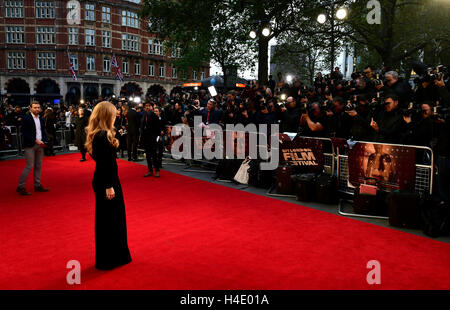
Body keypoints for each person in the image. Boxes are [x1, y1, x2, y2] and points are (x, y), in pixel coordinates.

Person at [85, 101, 132, 270]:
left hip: (106, 179)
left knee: (110, 219)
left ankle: (111, 257)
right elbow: (106, 163)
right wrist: (109, 185)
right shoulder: (101, 136)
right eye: (113, 113)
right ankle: (110, 258)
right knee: (110, 220)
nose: (116, 115)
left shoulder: (100, 134)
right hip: (107, 181)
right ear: (106, 115)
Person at [17, 101, 50, 196]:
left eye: (38, 107)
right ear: (30, 108)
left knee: (38, 165)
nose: (37, 109)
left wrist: (44, 140)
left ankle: (37, 185)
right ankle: (20, 186)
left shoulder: (41, 118)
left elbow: (43, 131)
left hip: (40, 144)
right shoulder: (26, 118)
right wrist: (36, 140)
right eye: (35, 107)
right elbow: (25, 132)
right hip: (30, 145)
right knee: (29, 166)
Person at [140, 102, 162, 178]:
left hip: (152, 138)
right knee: (148, 156)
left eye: (149, 106)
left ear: (152, 107)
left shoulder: (154, 116)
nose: (147, 107)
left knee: (154, 155)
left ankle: (157, 171)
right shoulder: (143, 115)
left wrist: (156, 137)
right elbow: (142, 126)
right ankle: (150, 170)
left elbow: (158, 128)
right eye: (146, 106)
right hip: (145, 138)